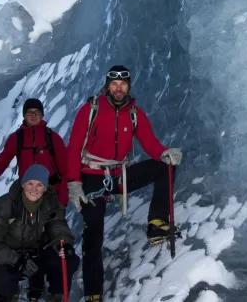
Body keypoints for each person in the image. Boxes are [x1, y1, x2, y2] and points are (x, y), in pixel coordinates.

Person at [66, 65, 183, 301]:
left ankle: (156, 224)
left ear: (128, 86)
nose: (118, 88)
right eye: (114, 84)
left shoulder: (134, 113)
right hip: (92, 176)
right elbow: (74, 148)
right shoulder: (91, 110)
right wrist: (74, 183)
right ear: (108, 86)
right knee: (94, 233)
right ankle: (93, 294)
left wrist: (164, 153)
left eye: (123, 84)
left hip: (119, 175)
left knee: (165, 167)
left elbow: (149, 142)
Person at [0, 164, 79, 302]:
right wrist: (17, 260)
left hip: (34, 253)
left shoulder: (49, 203)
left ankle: (56, 297)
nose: (34, 189)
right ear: (23, 184)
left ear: (45, 188)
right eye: (30, 183)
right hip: (6, 256)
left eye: (39, 185)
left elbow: (57, 226)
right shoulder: (4, 205)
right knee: (5, 278)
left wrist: (64, 244)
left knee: (68, 260)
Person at [0, 98, 68, 206]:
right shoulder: (17, 138)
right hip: (27, 193)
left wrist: (62, 198)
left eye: (37, 112)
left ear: (41, 115)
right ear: (24, 115)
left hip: (51, 191)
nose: (33, 115)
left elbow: (65, 170)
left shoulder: (52, 138)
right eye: (30, 112)